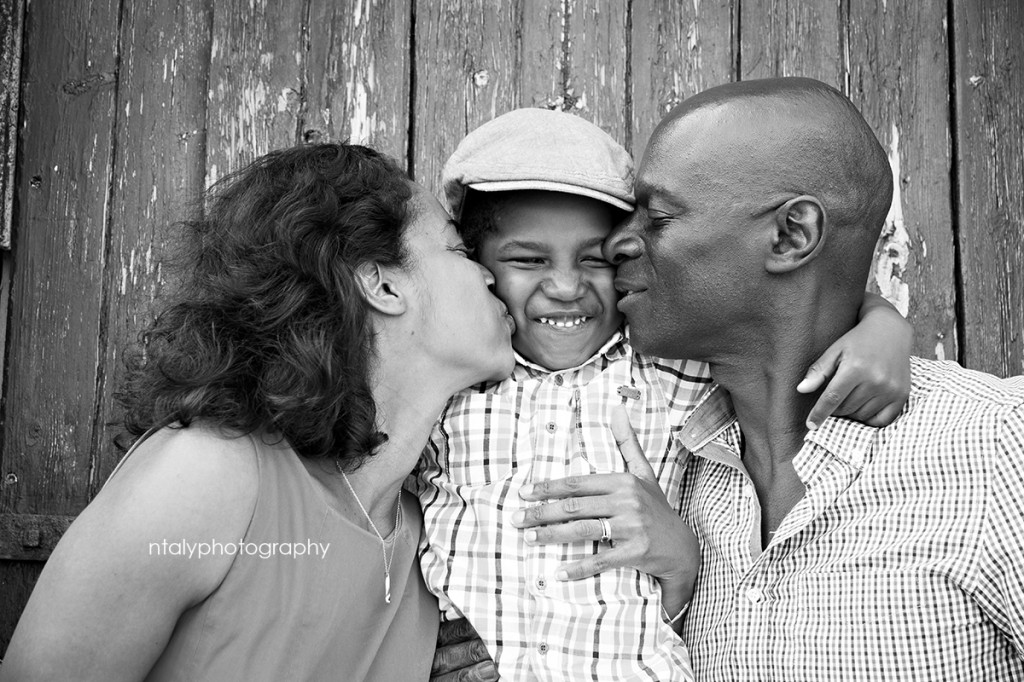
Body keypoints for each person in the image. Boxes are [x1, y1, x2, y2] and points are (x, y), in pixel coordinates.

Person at [520, 78, 1024, 680]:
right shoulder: (661, 458)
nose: (616, 242)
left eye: (658, 216)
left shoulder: (997, 448)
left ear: (791, 236)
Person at [420, 107, 914, 681]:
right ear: (477, 270)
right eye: (528, 261)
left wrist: (881, 322)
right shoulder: (451, 382)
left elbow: (786, 310)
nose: (565, 286)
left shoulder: (662, 365)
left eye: (596, 259)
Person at [1, 143, 516, 681]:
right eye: (458, 251)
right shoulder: (207, 477)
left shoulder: (441, 540)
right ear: (382, 284)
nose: (488, 275)